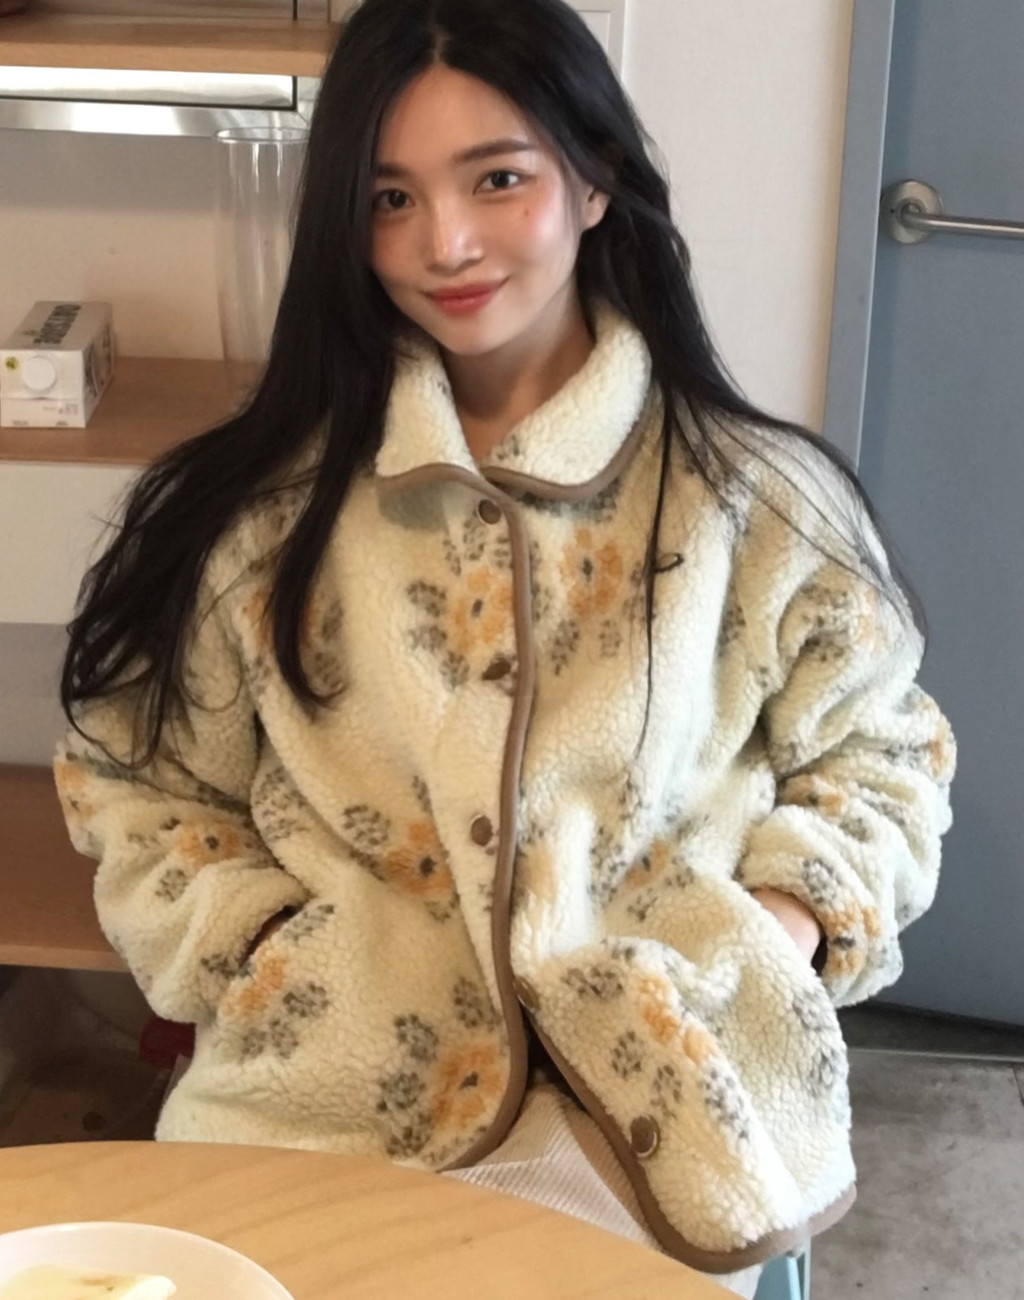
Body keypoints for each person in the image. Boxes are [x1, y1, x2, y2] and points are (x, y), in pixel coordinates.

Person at [52, 0, 956, 1295]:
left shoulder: (754, 501)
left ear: (593, 181)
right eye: (391, 198)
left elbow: (886, 753)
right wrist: (268, 959)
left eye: (497, 179)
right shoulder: (259, 514)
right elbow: (134, 780)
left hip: (663, 1115)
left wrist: (773, 934)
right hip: (320, 1101)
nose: (446, 244)